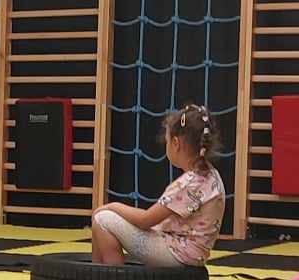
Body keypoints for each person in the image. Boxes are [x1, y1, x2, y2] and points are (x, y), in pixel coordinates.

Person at [89, 105, 223, 267]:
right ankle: (96, 276)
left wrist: (111, 206)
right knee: (104, 217)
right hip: (193, 254)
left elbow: (145, 220)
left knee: (102, 219)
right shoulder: (212, 175)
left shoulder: (188, 183)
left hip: (177, 254)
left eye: (167, 141)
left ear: (176, 143)